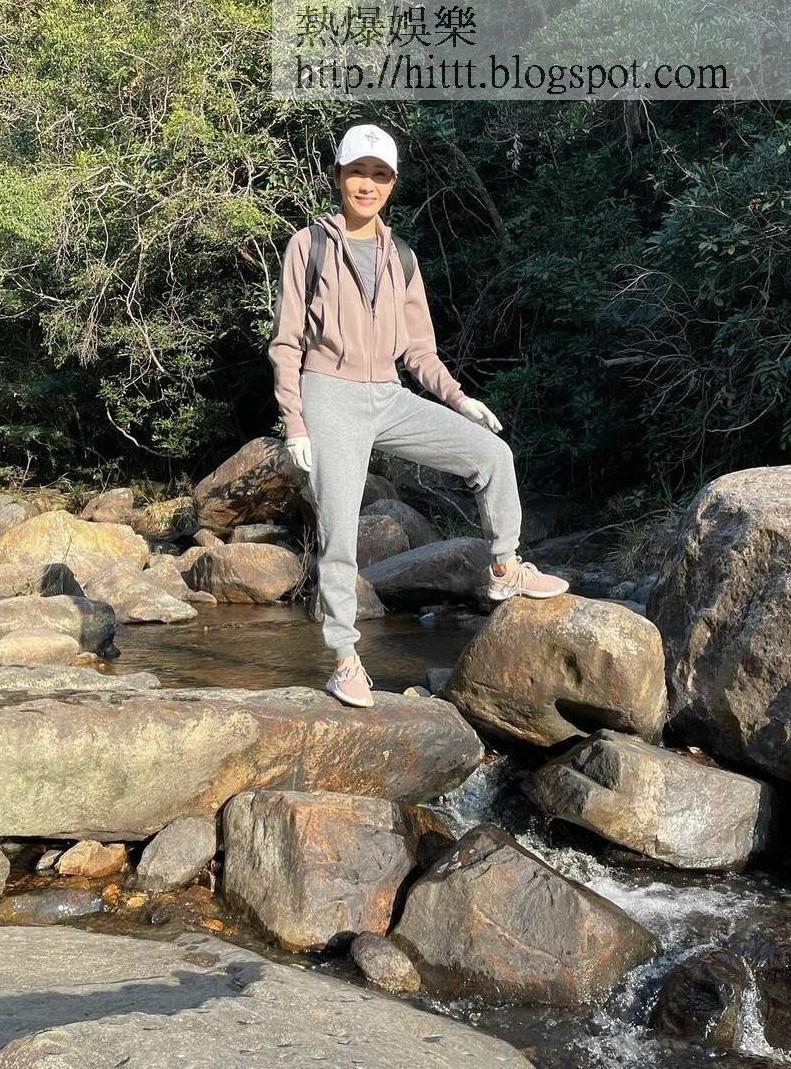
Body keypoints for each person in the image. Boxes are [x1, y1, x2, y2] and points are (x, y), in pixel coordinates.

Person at [268, 122, 568, 709]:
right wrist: (295, 421)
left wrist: (459, 399)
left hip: (390, 395)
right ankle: (345, 660)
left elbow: (420, 352)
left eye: (380, 175)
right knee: (338, 531)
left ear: (392, 184)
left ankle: (504, 569)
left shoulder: (402, 257)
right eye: (358, 172)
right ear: (338, 176)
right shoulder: (309, 246)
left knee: (491, 453)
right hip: (329, 394)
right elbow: (285, 343)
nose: (367, 184)